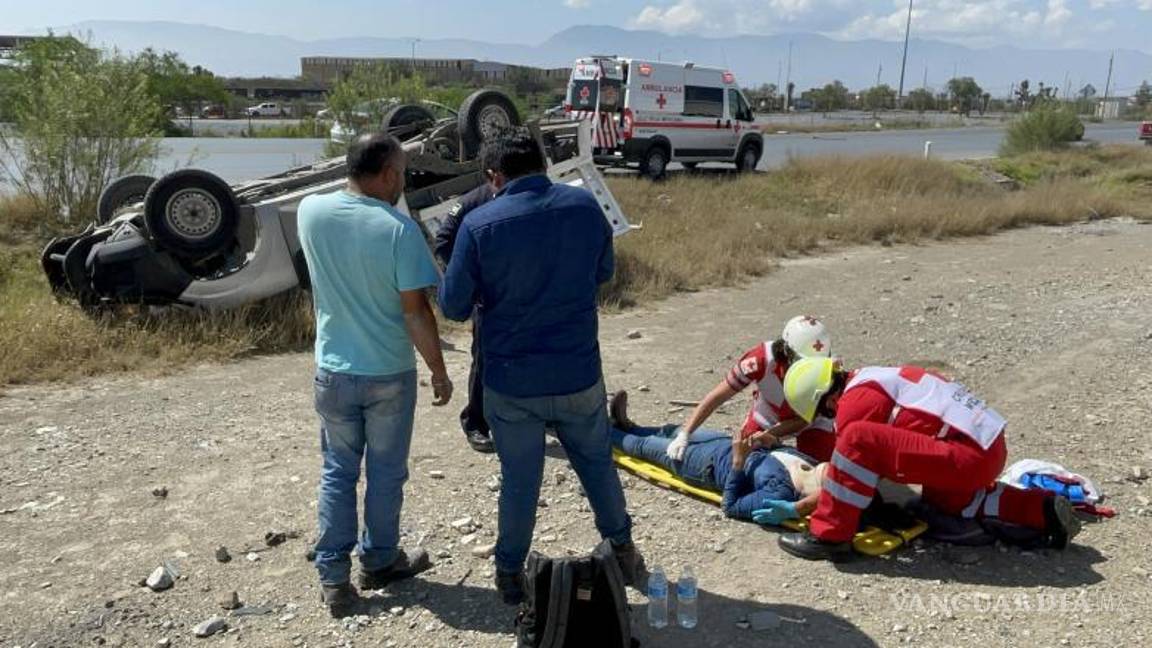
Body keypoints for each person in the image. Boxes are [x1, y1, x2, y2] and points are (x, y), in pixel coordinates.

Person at [438, 128, 642, 605]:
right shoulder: (586, 207)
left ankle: (510, 574)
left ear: (493, 177)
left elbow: (453, 307)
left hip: (512, 382)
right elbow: (603, 273)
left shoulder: (479, 224)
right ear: (545, 164)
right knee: (596, 466)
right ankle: (624, 550)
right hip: (578, 372)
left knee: (520, 479)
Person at [298, 133, 453, 616]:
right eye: (402, 173)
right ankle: (380, 560)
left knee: (337, 473)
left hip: (333, 372)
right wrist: (439, 370)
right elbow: (415, 313)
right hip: (387, 373)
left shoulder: (309, 211)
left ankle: (334, 579)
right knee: (385, 474)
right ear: (387, 175)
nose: (402, 181)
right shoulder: (398, 230)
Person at [776, 359, 1082, 561]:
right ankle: (1041, 509)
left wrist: (800, 507)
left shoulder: (855, 403)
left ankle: (829, 537)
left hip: (966, 455)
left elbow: (850, 466)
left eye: (824, 414)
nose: (830, 417)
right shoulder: (876, 376)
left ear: (828, 400)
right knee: (952, 504)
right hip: (987, 448)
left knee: (856, 439)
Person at [609, 391, 826, 524]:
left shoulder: (782, 493)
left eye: (833, 479)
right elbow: (776, 455)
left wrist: (738, 462)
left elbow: (731, 506)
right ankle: (628, 426)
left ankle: (598, 429)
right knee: (674, 431)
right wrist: (772, 442)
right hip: (723, 443)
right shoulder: (812, 463)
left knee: (643, 446)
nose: (834, 469)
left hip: (706, 465)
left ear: (817, 494)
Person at [665, 316, 837, 464]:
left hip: (812, 422)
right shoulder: (760, 360)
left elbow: (804, 419)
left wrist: (770, 436)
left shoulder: (829, 372)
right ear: (786, 352)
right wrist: (685, 433)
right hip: (767, 416)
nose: (812, 369)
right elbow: (719, 395)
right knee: (743, 460)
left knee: (819, 471)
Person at [433, 182, 497, 453]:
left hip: (519, 292)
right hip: (486, 297)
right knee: (483, 358)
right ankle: (475, 422)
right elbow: (443, 241)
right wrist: (471, 277)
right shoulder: (473, 201)